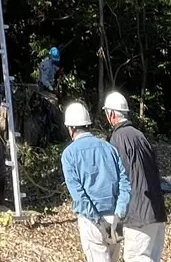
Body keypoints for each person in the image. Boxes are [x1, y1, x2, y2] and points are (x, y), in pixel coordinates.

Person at [60, 101, 132, 262]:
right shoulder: (108, 148)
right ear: (87, 124)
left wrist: (99, 222)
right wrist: (120, 214)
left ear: (71, 128)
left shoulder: (69, 154)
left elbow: (79, 195)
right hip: (115, 217)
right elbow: (125, 183)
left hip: (92, 221)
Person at [104, 91, 167, 262]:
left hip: (138, 215)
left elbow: (119, 179)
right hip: (157, 211)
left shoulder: (118, 138)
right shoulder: (140, 135)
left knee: (136, 258)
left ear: (111, 114)